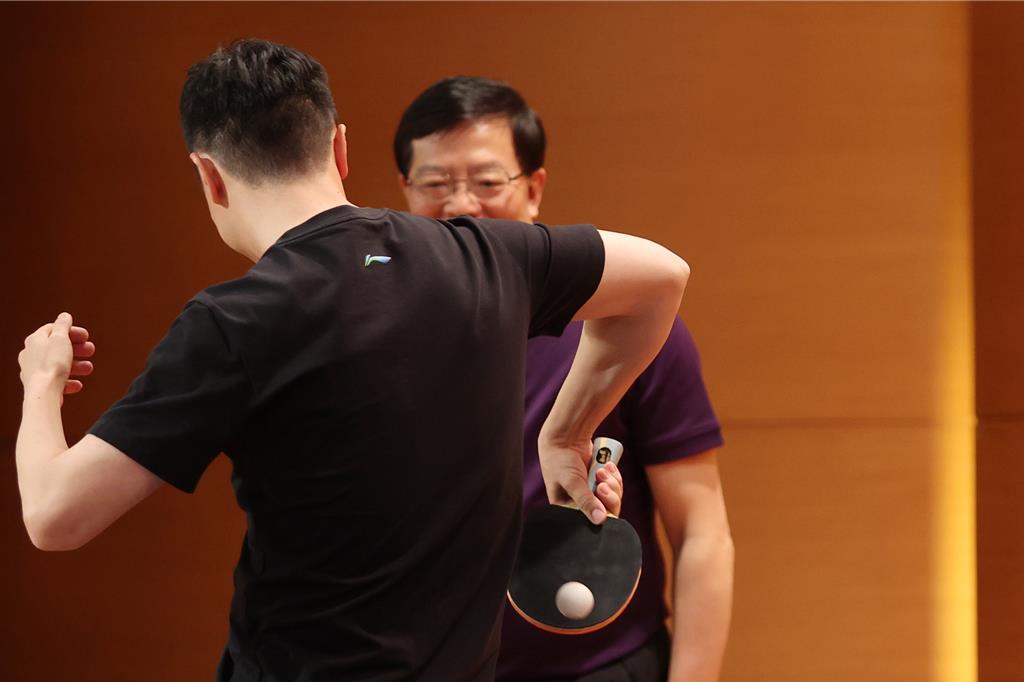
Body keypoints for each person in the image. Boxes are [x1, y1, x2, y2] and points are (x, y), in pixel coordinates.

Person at [15, 41, 691, 682]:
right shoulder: (486, 256)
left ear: (209, 175)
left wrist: (40, 383)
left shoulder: (232, 322)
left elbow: (54, 515)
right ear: (339, 148)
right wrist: (567, 433)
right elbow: (663, 276)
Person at [395, 77, 733, 682]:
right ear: (405, 192)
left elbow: (701, 532)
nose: (461, 206)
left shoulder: (629, 328)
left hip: (600, 668)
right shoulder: (378, 337)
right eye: (436, 184)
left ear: (534, 190)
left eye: (487, 182)